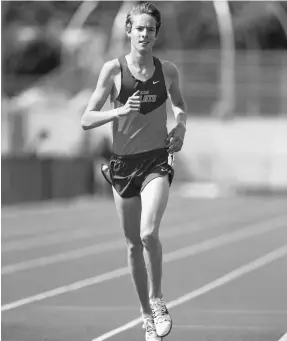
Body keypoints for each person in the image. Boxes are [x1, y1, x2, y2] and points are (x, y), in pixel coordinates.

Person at [81, 2, 187, 340]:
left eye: (150, 29)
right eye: (139, 28)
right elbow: (86, 118)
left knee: (147, 234)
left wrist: (181, 127)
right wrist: (120, 110)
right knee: (131, 245)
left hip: (156, 160)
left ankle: (157, 301)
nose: (144, 34)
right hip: (122, 165)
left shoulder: (167, 70)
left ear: (156, 33)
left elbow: (180, 105)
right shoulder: (113, 71)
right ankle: (145, 316)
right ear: (128, 31)